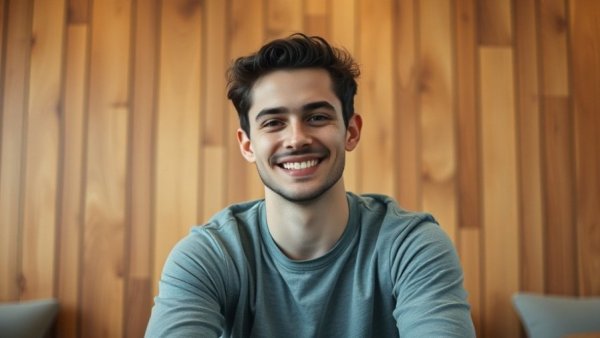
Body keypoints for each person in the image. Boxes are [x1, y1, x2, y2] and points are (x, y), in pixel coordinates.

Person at [145, 33, 475, 337]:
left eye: (317, 117)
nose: (297, 138)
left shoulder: (411, 247)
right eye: (273, 122)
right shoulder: (209, 255)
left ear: (351, 131)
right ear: (247, 145)